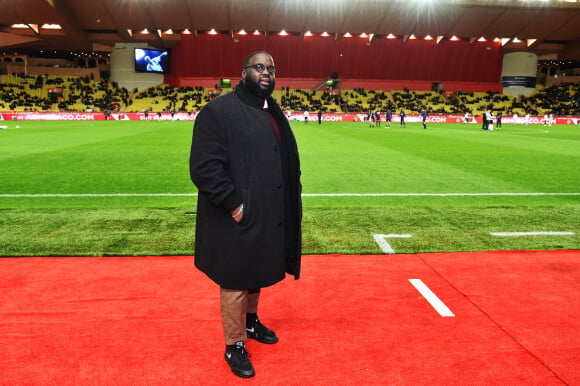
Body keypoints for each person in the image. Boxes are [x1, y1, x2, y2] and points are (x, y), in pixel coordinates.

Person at [189, 51, 302, 379]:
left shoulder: (271, 109)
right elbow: (203, 167)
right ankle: (234, 344)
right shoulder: (218, 112)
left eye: (271, 68)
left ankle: (250, 324)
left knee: (257, 269)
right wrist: (234, 204)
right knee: (236, 278)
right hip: (236, 213)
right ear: (243, 72)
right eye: (259, 67)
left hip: (267, 210)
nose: (266, 73)